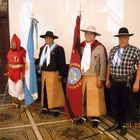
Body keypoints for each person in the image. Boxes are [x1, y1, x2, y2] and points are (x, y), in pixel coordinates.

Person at [106, 27, 140, 135]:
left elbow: (139, 66)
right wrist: (107, 79)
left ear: (128, 38)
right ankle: (117, 123)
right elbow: (109, 65)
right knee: (115, 103)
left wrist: (137, 82)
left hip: (127, 82)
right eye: (121, 37)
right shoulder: (113, 50)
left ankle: (124, 125)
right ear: (118, 38)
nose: (123, 39)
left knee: (125, 104)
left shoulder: (135, 50)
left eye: (125, 37)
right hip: (114, 81)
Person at [75, 26, 107, 127]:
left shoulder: (100, 47)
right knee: (83, 97)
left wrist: (101, 79)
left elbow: (103, 64)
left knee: (95, 98)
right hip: (82, 77)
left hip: (95, 77)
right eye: (87, 33)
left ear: (94, 36)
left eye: (91, 34)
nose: (88, 35)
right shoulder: (81, 47)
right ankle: (83, 116)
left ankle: (95, 118)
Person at [38, 31, 66, 117]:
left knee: (55, 91)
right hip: (44, 73)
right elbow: (40, 60)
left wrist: (61, 74)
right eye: (46, 38)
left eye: (49, 38)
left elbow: (62, 62)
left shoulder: (58, 48)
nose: (47, 39)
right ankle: (45, 107)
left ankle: (56, 108)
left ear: (53, 39)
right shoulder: (42, 49)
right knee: (45, 90)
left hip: (54, 74)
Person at [7, 34, 26, 112]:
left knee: (20, 89)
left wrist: (24, 73)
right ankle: (15, 104)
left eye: (14, 42)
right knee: (12, 90)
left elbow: (26, 63)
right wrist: (8, 71)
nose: (12, 44)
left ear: (18, 43)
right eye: (11, 42)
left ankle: (23, 105)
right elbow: (8, 62)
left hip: (19, 74)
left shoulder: (23, 51)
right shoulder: (10, 51)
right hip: (11, 74)